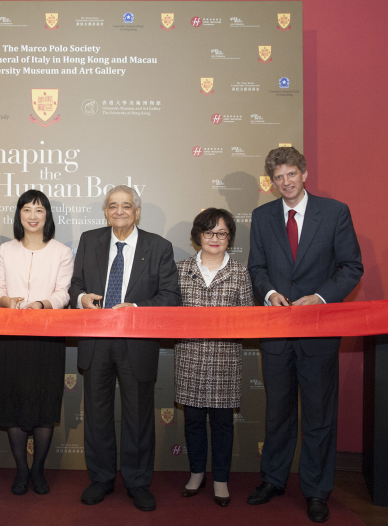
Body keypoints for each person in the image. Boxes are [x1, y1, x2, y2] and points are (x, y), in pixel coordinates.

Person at [247, 147, 363, 523]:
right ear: (272, 181)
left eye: (291, 175)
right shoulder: (263, 217)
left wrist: (321, 296)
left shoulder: (335, 212)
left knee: (318, 415)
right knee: (278, 412)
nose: (286, 183)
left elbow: (351, 267)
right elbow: (257, 267)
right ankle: (273, 479)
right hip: (277, 331)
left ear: (304, 173)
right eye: (278, 178)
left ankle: (316, 491)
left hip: (319, 331)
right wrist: (268, 293)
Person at [69, 185, 181, 512]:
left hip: (137, 343)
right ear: (105, 211)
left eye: (126, 206)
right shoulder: (90, 241)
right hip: (96, 341)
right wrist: (80, 298)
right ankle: (101, 478)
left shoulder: (158, 247)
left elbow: (171, 297)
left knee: (138, 417)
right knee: (98, 415)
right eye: (113, 206)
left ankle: (137, 481)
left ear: (137, 212)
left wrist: (135, 306)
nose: (119, 211)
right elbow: (75, 284)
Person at [0, 190, 74, 496]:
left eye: (39, 210)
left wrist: (41, 304)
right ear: (19, 215)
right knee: (12, 403)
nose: (33, 216)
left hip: (47, 337)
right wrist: (5, 300)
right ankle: (21, 471)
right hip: (11, 336)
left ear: (47, 216)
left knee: (43, 403)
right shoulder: (5, 249)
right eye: (27, 210)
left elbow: (64, 292)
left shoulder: (61, 251)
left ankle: (38, 469)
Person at [175, 208, 254, 507]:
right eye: (209, 232)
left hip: (225, 360)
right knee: (193, 422)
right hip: (190, 357)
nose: (215, 238)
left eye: (222, 233)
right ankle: (196, 474)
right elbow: (170, 314)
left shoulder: (240, 271)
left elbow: (248, 318)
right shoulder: (181, 269)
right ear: (198, 236)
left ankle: (220, 479)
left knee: (223, 424)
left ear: (229, 237)